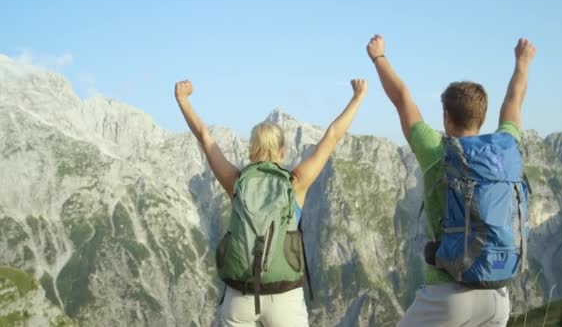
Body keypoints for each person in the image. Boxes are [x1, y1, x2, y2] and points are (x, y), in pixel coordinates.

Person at [367, 34, 536, 326]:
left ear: (446, 117)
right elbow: (514, 101)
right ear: (482, 117)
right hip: (498, 297)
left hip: (448, 296)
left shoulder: (437, 152)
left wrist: (379, 57)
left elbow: (402, 98)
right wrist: (522, 62)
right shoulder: (505, 147)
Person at [174, 78, 368, 327]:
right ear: (283, 151)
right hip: (284, 298)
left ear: (251, 150)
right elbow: (332, 136)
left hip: (239, 296)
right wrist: (358, 96)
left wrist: (183, 100)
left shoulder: (236, 182)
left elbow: (204, 137)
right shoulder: (295, 183)